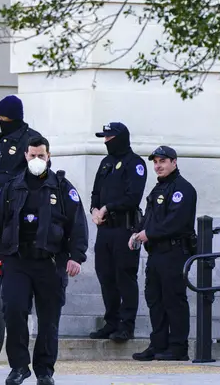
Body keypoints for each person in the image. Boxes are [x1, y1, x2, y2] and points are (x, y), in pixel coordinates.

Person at [0, 136, 88, 385]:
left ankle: (44, 371)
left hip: (50, 262)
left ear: (49, 156)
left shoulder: (61, 187)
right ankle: (18, 366)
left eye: (41, 155)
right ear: (25, 155)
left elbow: (77, 223)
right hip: (17, 260)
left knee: (48, 319)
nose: (37, 160)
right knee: (14, 311)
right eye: (32, 155)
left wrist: (76, 256)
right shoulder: (11, 187)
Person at [131, 146, 196, 362]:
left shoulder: (182, 189)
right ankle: (158, 344)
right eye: (156, 162)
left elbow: (175, 223)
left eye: (163, 161)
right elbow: (150, 217)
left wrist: (148, 233)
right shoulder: (158, 189)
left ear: (174, 162)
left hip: (174, 252)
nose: (158, 165)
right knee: (155, 299)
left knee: (173, 300)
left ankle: (178, 347)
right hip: (157, 253)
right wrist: (136, 233)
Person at [89, 123, 148, 342]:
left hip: (125, 229)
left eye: (109, 137)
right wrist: (95, 209)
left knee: (124, 277)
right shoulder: (106, 162)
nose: (106, 141)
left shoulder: (135, 164)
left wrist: (107, 208)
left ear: (120, 138)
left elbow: (132, 197)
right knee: (106, 276)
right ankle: (111, 321)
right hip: (105, 230)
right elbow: (96, 191)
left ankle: (126, 325)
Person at [0, 95, 41, 192]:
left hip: (17, 198)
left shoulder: (32, 139)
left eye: (3, 117)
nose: (0, 119)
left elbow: (39, 171)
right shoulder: (0, 138)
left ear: (13, 118)